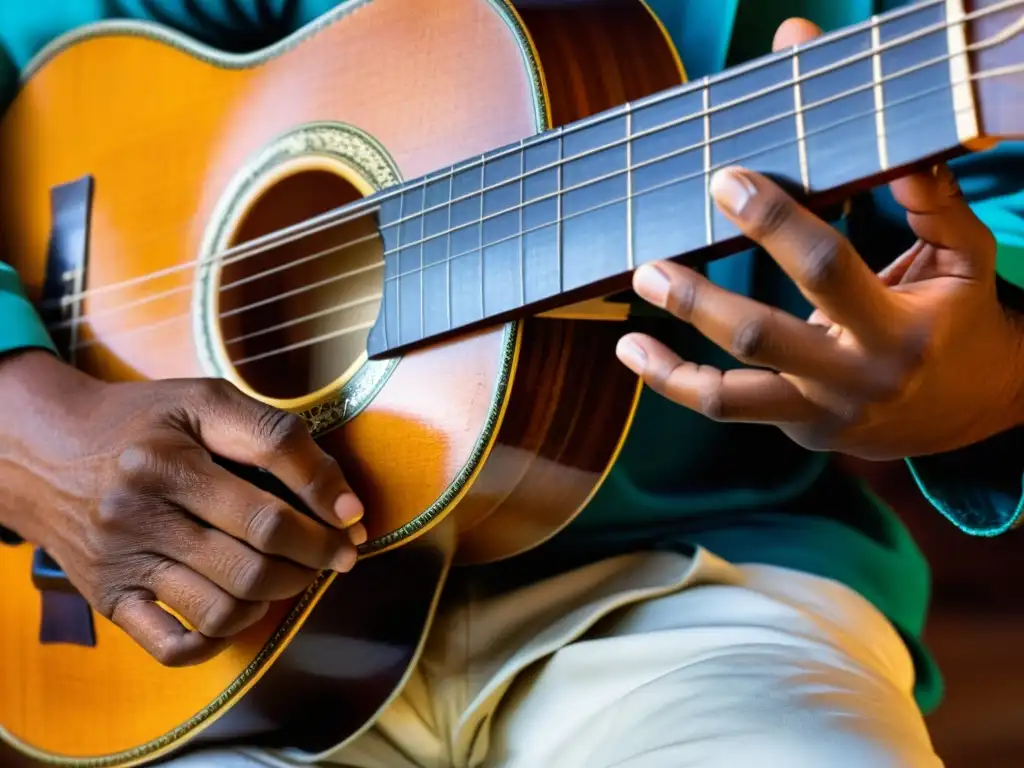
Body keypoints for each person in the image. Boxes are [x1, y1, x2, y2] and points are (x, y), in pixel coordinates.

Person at [1, 1, 1023, 765]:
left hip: (694, 585)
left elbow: (988, 236)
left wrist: (971, 375)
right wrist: (28, 426)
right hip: (228, 652)